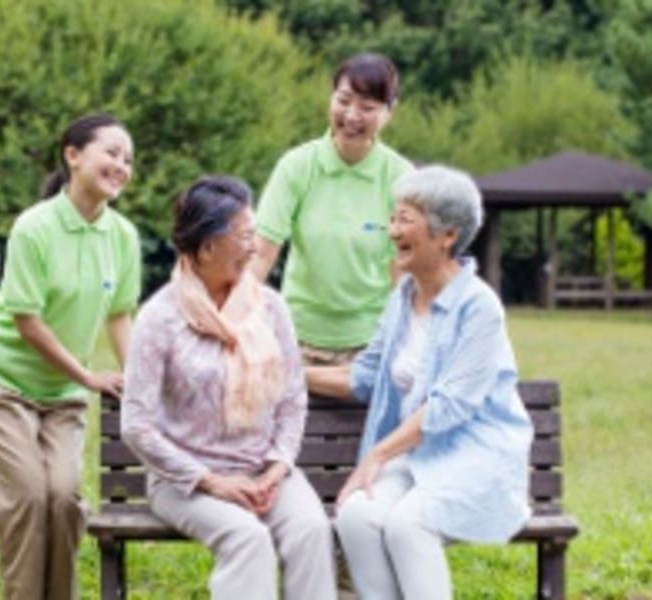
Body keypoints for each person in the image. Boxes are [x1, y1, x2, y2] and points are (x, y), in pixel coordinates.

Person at [306, 165, 533, 599]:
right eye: (392, 218)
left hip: (474, 456)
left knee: (409, 525)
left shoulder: (479, 307)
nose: (392, 231)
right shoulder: (402, 297)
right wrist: (291, 375)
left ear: (447, 235)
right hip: (418, 457)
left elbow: (451, 406)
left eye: (405, 219)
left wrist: (378, 453)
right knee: (356, 516)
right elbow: (366, 375)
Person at [121, 175, 336, 600]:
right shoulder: (159, 317)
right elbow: (135, 425)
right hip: (185, 480)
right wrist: (211, 481)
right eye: (246, 235)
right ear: (207, 247)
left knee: (312, 530)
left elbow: (293, 400)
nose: (255, 246)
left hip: (263, 469)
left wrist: (277, 467)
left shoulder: (270, 308)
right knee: (248, 539)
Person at [0, 113, 141, 600]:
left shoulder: (123, 236)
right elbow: (27, 321)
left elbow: (121, 315)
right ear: (73, 155)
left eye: (128, 159)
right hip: (1, 383)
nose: (121, 166)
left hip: (61, 394)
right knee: (26, 499)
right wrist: (87, 375)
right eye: (111, 152)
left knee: (63, 498)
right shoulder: (34, 227)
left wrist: (138, 380)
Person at [251, 52, 413, 365]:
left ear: (389, 113)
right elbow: (261, 253)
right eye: (343, 100)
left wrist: (408, 342)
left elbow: (404, 272)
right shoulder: (297, 166)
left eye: (367, 107)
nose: (352, 115)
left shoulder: (401, 178)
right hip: (294, 339)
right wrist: (233, 317)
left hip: (372, 344)